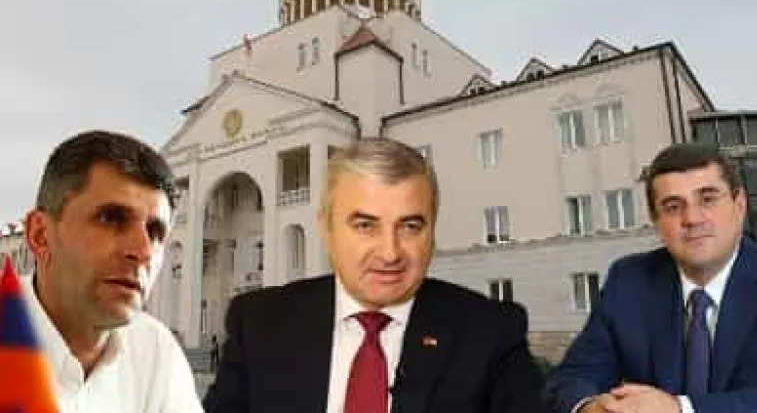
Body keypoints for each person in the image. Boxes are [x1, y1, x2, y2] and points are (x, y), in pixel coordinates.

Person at [204, 137, 544, 413]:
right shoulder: (259, 324)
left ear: (432, 233)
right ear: (326, 229)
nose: (390, 253)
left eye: (410, 227)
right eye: (365, 226)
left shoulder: (491, 332)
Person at [545, 142, 757, 413]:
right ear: (656, 221)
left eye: (708, 199)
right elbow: (572, 377)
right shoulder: (629, 280)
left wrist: (681, 409)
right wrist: (591, 407)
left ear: (739, 205)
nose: (692, 218)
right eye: (673, 207)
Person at [22, 130, 204, 412]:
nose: (143, 251)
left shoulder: (155, 350)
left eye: (155, 232)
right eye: (111, 218)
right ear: (40, 235)